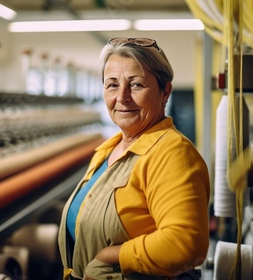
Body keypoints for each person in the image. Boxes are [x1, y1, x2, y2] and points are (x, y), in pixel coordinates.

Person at [58, 37, 210, 280]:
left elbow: (185, 244)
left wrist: (111, 256)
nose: (122, 97)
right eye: (112, 85)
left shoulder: (172, 153)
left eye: (136, 85)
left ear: (165, 92)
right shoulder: (107, 150)